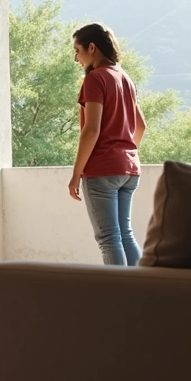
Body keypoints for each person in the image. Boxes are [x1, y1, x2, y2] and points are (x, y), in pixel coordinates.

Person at [69, 23, 147, 266]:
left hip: (102, 169)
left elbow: (91, 130)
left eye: (77, 50)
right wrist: (122, 152)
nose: (76, 58)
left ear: (92, 48)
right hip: (129, 169)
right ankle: (142, 293)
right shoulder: (124, 77)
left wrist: (76, 173)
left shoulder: (96, 79)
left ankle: (119, 299)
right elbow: (141, 126)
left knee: (108, 238)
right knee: (125, 234)